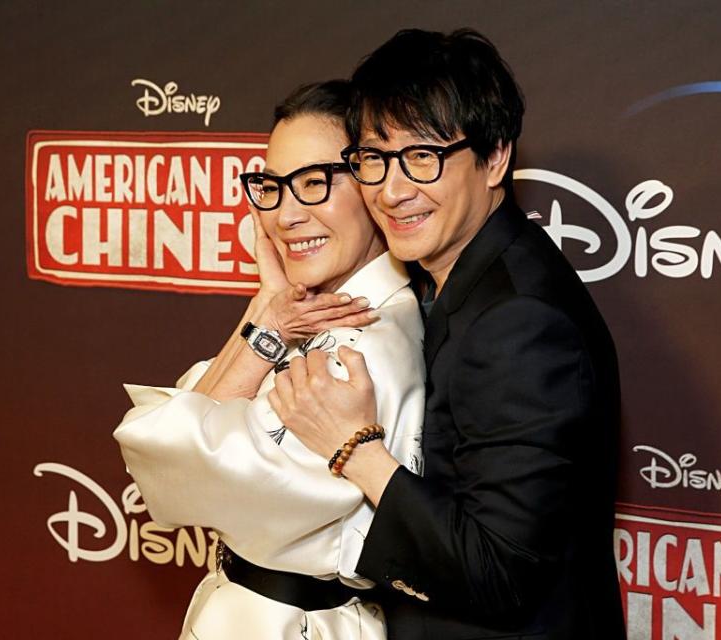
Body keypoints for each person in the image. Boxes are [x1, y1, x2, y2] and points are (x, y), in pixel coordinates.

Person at [268, 30, 625, 639]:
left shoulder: (519, 323)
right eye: (375, 159)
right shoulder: (458, 279)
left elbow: (498, 572)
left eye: (423, 157)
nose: (393, 189)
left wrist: (355, 449)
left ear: (494, 158)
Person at [113, 80, 426, 640]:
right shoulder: (315, 314)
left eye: (313, 183)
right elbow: (195, 421)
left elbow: (165, 467)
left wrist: (265, 328)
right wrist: (265, 314)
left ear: (374, 184)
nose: (285, 214)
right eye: (273, 187)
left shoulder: (363, 340)